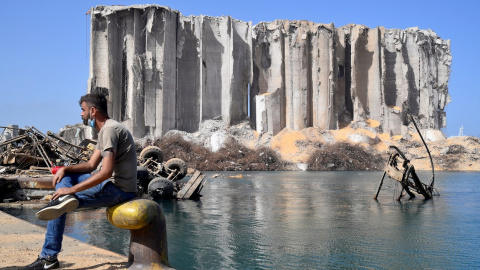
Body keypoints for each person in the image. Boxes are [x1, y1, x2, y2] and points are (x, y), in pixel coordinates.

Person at [23, 93, 138, 270]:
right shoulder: (106, 129)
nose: (81, 114)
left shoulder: (110, 130)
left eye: (83, 110)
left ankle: (48, 258)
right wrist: (65, 168)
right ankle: (49, 255)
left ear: (93, 111)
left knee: (60, 199)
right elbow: (91, 165)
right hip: (113, 187)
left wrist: (71, 190)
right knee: (63, 186)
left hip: (119, 190)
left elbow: (106, 172)